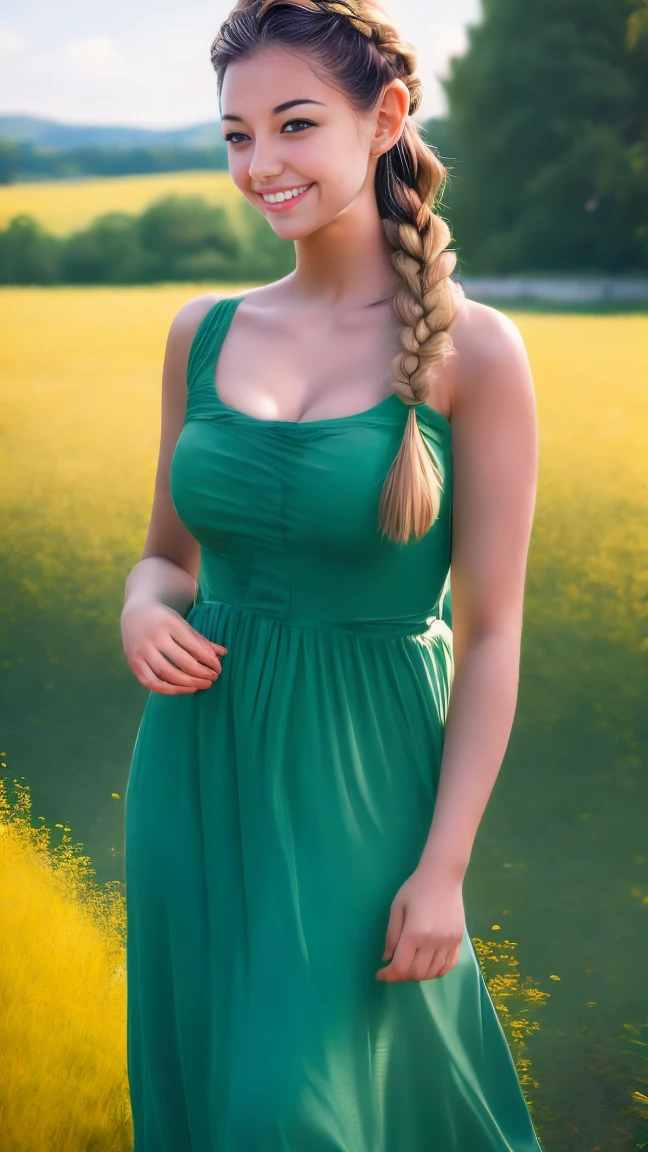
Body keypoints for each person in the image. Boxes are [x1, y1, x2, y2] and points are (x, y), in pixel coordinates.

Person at [121, 0, 545, 1147]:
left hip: (362, 790)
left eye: (295, 125)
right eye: (235, 136)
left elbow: (495, 631)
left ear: (386, 117)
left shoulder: (477, 352)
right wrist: (140, 607)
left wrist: (446, 865)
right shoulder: (200, 333)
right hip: (193, 779)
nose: (261, 165)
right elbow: (164, 556)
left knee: (294, 1114)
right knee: (210, 1097)